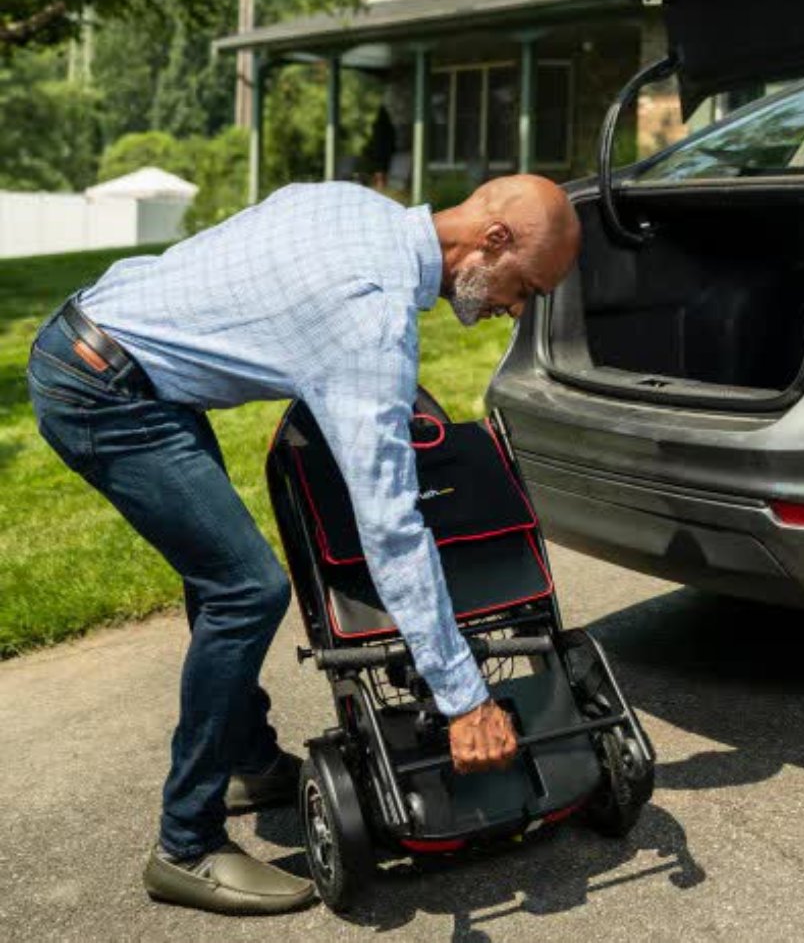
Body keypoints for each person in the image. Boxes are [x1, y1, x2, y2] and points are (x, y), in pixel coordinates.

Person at [25, 175, 581, 916]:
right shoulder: (371, 317)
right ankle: (184, 845)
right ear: (494, 240)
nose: (515, 308)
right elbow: (389, 524)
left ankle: (247, 762)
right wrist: (464, 699)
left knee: (217, 567)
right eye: (525, 288)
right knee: (245, 588)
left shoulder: (358, 207)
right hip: (103, 390)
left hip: (117, 348)